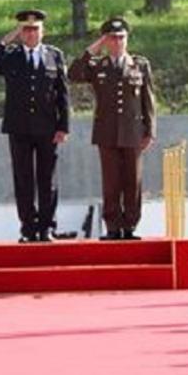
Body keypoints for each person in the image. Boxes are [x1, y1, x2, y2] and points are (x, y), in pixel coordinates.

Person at [0, 9, 70, 243]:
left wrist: (63, 126)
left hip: (47, 127)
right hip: (19, 127)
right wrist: (6, 39)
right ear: (20, 32)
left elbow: (62, 93)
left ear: (43, 31)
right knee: (23, 179)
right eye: (26, 30)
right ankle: (28, 228)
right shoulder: (11, 55)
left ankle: (47, 227)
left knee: (48, 179)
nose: (31, 34)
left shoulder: (54, 55)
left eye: (35, 29)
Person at [69, 17, 156, 240]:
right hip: (107, 132)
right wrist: (93, 49)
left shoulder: (139, 65)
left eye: (121, 38)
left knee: (133, 181)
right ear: (105, 41)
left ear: (127, 39)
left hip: (133, 132)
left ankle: (130, 226)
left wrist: (150, 131)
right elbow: (74, 74)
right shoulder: (98, 65)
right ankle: (113, 227)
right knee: (111, 182)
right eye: (112, 38)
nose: (117, 42)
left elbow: (148, 100)